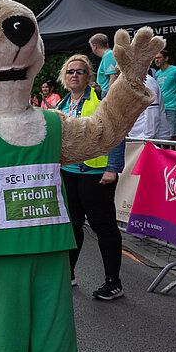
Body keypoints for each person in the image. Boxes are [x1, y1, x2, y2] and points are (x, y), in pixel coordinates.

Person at [54, 55, 125, 300]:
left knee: (103, 226)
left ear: (89, 76)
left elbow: (116, 131)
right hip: (68, 173)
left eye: (80, 71)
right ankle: (69, 274)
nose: (75, 75)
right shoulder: (61, 105)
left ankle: (113, 282)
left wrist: (113, 167)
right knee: (72, 226)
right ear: (64, 77)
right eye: (70, 71)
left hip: (96, 173)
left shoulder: (100, 99)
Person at [153, 49, 176, 140]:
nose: (156, 60)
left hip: (173, 107)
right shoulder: (157, 73)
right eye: (155, 58)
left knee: (174, 136)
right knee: (164, 136)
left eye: (159, 58)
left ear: (166, 58)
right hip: (161, 108)